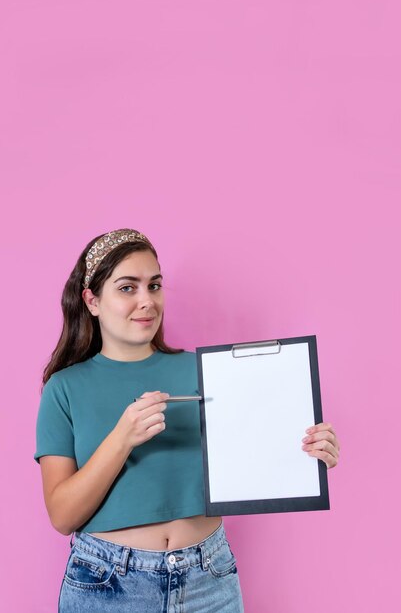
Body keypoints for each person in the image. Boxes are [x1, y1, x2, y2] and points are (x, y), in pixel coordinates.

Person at [34, 228, 340, 612]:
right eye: (127, 288)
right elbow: (62, 516)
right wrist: (122, 439)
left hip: (209, 578)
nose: (146, 301)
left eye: (155, 285)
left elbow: (254, 455)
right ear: (92, 301)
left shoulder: (209, 371)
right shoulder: (64, 388)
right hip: (108, 583)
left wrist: (309, 450)